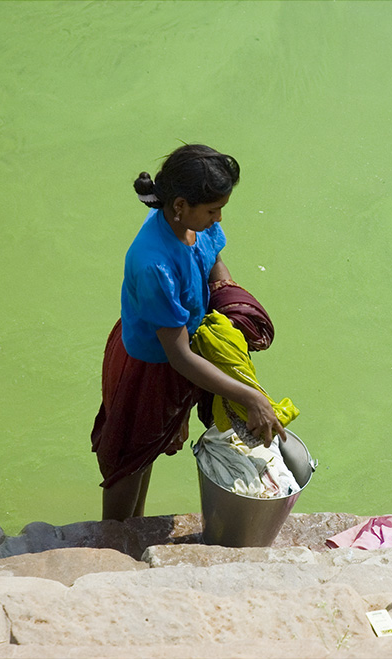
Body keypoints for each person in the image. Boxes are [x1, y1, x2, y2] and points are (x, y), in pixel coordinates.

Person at [91, 144, 286, 521]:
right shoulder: (155, 265)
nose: (219, 218)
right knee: (130, 460)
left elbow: (213, 260)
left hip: (182, 346)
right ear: (180, 205)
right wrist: (250, 397)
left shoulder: (196, 227)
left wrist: (228, 299)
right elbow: (178, 355)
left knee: (148, 449)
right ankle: (114, 538)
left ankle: (136, 526)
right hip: (148, 364)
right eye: (213, 210)